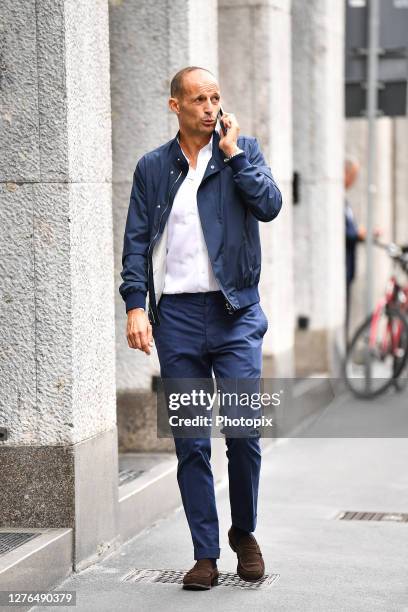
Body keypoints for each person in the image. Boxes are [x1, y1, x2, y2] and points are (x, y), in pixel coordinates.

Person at [119, 66, 282, 590]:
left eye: (216, 97)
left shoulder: (242, 152)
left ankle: (244, 533)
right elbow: (137, 243)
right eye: (198, 99)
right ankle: (205, 553)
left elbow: (270, 205)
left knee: (243, 434)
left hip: (235, 316)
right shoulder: (152, 168)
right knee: (190, 442)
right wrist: (136, 306)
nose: (210, 107)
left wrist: (234, 156)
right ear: (176, 106)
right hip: (180, 323)